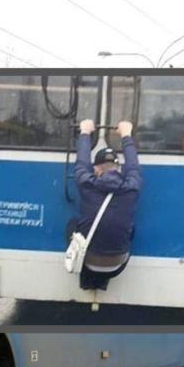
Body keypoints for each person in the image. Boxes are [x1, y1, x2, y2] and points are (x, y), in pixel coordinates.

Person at [70, 119, 142, 290]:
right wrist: (126, 135)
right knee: (129, 228)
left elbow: (81, 163)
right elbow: (133, 166)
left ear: (96, 169)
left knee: (73, 225)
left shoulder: (86, 184)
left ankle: (87, 280)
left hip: (89, 260)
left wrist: (85, 133)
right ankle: (102, 280)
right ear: (118, 169)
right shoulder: (131, 188)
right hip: (118, 265)